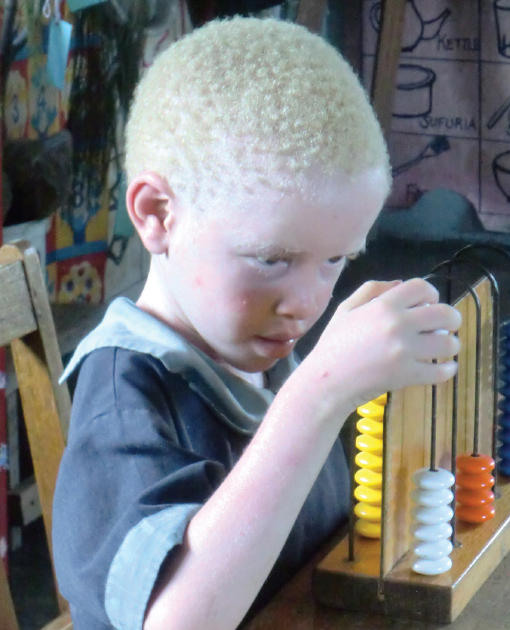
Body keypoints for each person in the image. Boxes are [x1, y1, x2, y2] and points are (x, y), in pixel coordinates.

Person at [51, 17, 460, 630]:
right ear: (158, 215)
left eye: (336, 261)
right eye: (272, 259)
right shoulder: (124, 399)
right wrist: (318, 394)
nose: (306, 302)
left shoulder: (256, 348)